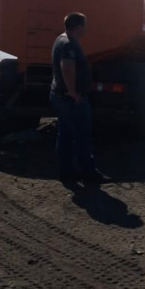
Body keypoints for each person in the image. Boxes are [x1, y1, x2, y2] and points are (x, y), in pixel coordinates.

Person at [50, 12, 105, 184]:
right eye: (84, 25)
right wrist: (72, 91)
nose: (86, 29)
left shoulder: (61, 39)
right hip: (70, 98)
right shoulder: (69, 44)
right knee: (82, 135)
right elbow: (67, 66)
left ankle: (66, 174)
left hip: (59, 96)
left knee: (65, 135)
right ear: (78, 26)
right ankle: (89, 175)